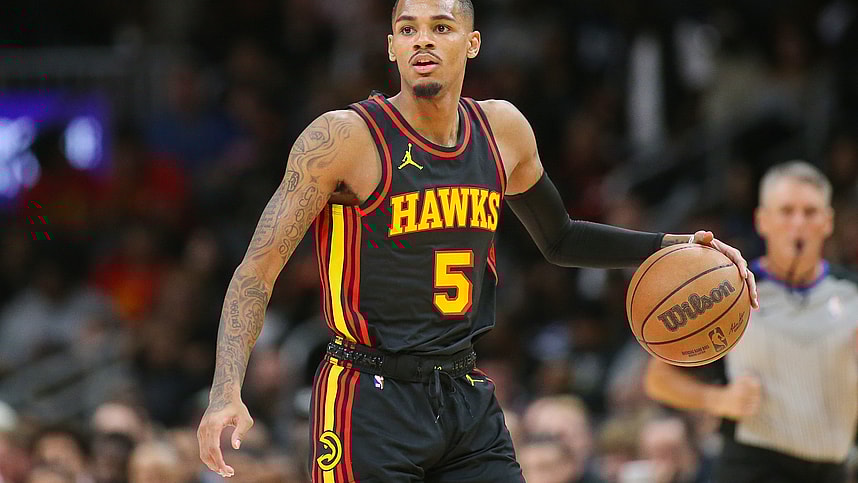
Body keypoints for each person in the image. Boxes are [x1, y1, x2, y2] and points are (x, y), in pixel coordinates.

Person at [196, 0, 757, 480]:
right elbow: (256, 270)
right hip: (366, 393)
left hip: (462, 388)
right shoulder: (344, 137)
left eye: (441, 27)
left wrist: (676, 246)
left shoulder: (503, 130)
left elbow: (559, 238)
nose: (423, 41)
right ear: (390, 46)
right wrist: (226, 389)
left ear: (473, 42)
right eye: (409, 28)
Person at [645, 160, 858, 483]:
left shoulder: (852, 293)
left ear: (828, 222)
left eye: (810, 212)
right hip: (753, 466)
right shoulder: (727, 290)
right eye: (786, 211)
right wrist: (717, 399)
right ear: (763, 221)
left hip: (833, 469)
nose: (798, 223)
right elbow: (657, 378)